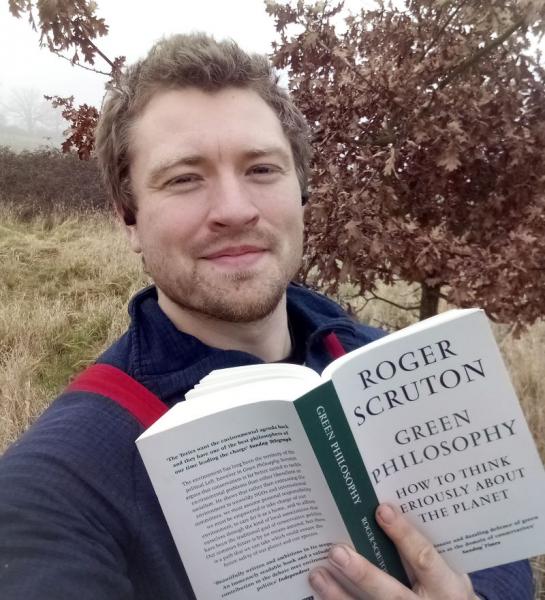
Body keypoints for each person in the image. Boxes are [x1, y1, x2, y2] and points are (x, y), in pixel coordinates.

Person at [0, 33, 533, 600]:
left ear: (301, 191)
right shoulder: (55, 485)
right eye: (184, 178)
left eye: (261, 169)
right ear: (129, 218)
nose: (234, 210)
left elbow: (505, 562)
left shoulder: (399, 373)